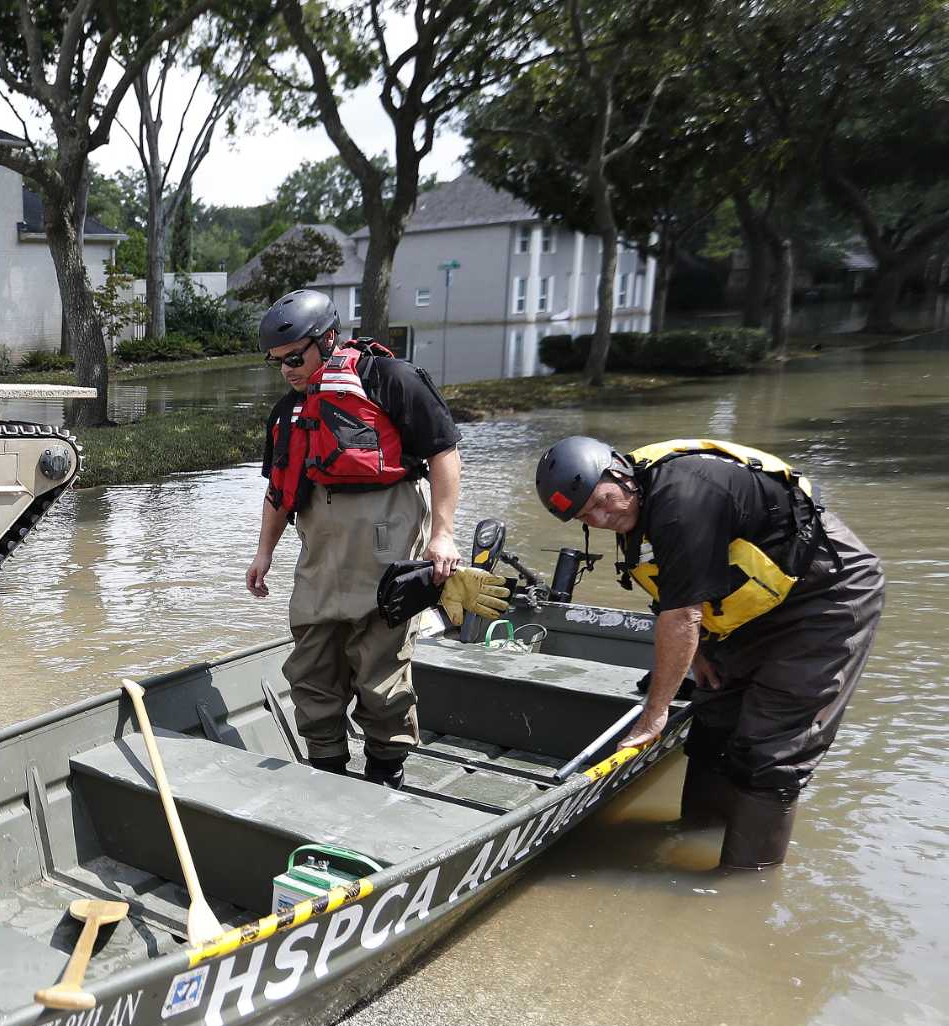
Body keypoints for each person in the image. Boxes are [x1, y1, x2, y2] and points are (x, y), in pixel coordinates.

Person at [535, 435, 882, 869]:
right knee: (714, 721)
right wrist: (694, 654)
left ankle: (741, 884)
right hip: (747, 601)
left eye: (603, 502)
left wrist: (654, 713)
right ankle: (696, 835)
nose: (603, 518)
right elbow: (673, 587)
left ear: (618, 472)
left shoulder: (682, 497)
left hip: (822, 593)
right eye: (587, 516)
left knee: (770, 752)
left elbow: (683, 615)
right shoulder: (637, 500)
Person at [246, 289, 463, 789]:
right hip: (320, 549)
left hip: (386, 536)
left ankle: (385, 772)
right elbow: (279, 489)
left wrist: (444, 535)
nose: (287, 371)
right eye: (277, 363)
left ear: (327, 340)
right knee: (311, 663)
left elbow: (444, 453)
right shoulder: (287, 412)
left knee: (380, 667)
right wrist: (264, 553)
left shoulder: (390, 379)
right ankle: (327, 769)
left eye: (295, 358)